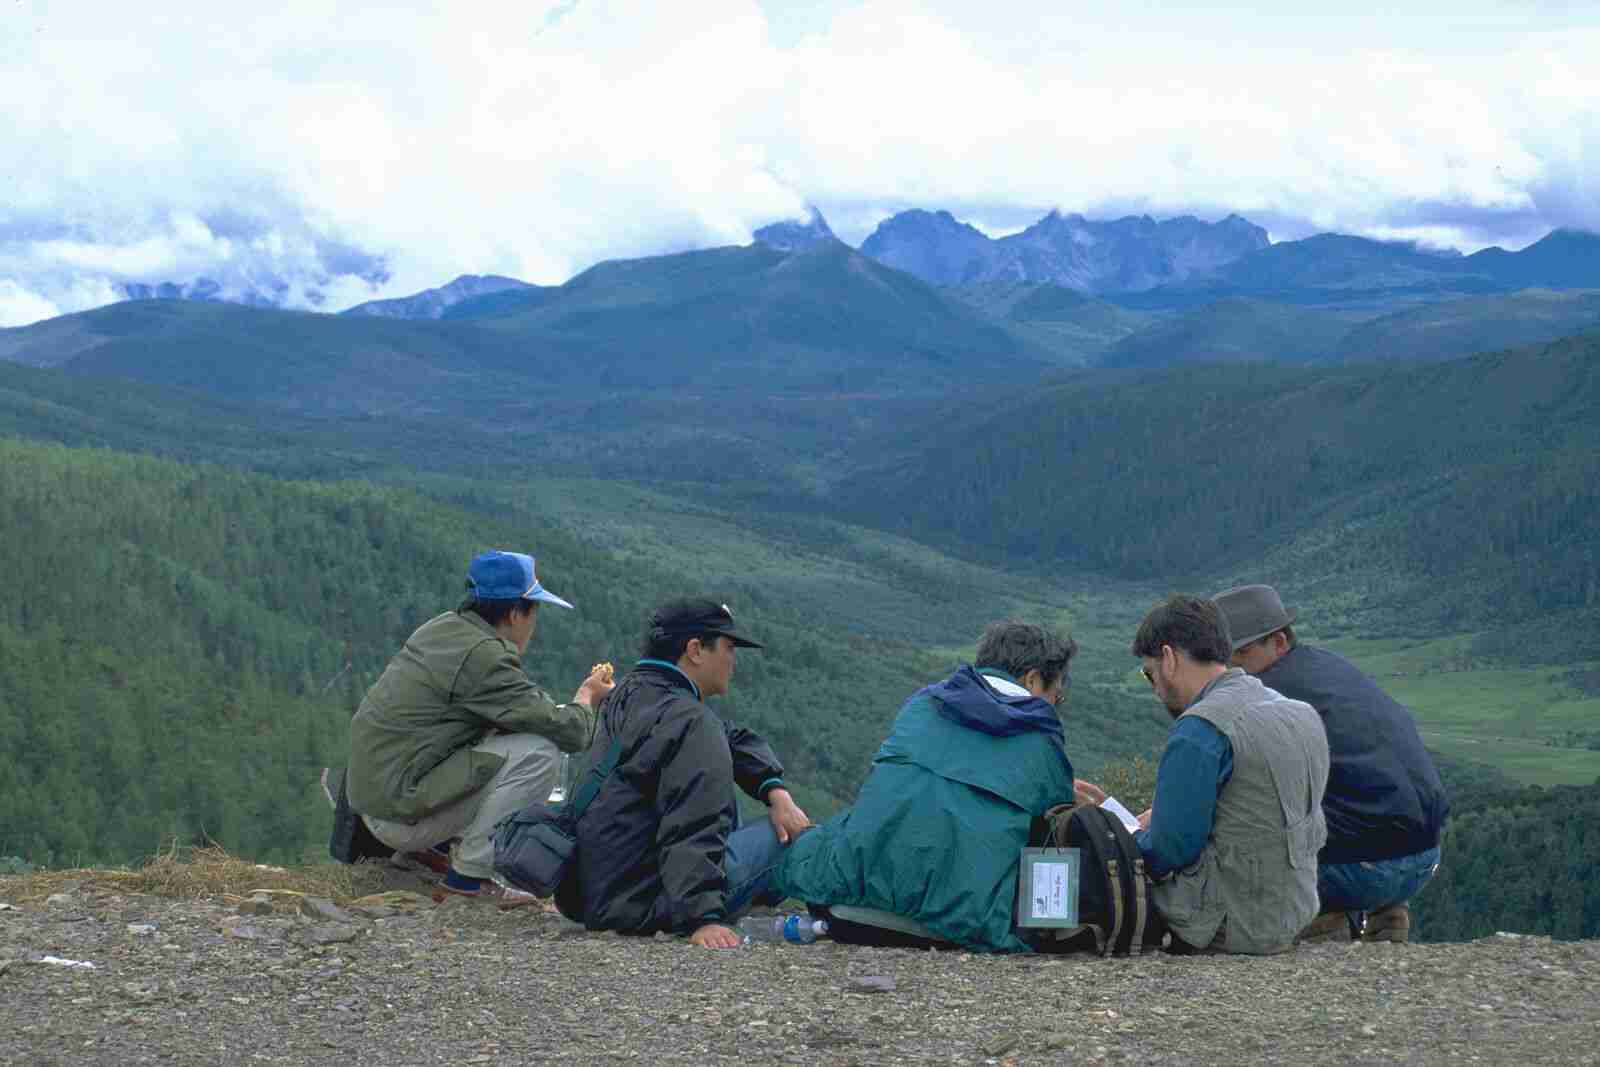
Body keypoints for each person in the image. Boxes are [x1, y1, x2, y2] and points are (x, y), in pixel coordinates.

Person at [775, 621, 1096, 953]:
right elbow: (1049, 835)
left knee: (814, 838)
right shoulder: (1040, 736)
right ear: (1031, 679)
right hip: (966, 919)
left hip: (853, 896)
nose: (1055, 706)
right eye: (1056, 694)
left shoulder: (923, 704)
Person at [343, 550, 612, 902]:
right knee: (538, 753)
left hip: (373, 801)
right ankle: (467, 880)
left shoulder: (443, 627)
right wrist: (586, 697)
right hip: (395, 816)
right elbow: (570, 733)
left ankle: (433, 853)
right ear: (516, 614)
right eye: (535, 611)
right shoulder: (485, 658)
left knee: (494, 733)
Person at [565, 598, 811, 947]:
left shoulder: (628, 694)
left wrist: (775, 790)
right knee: (790, 837)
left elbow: (731, 737)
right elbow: (693, 822)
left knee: (741, 793)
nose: (733, 661)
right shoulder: (692, 721)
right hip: (645, 904)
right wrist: (702, 918)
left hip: (595, 894)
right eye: (728, 647)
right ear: (695, 650)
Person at [1213, 584, 1448, 943]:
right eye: (1224, 658)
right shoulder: (1330, 667)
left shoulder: (1268, 697)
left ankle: (1321, 917)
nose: (1231, 669)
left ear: (1278, 642)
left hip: (1357, 870)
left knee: (1228, 837)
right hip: (1424, 859)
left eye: (1240, 654)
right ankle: (1384, 912)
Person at [1132, 594, 1330, 954]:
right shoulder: (1299, 712)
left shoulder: (1200, 730)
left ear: (1170, 658)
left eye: (1150, 673)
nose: (1156, 687)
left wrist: (1123, 833)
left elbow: (1168, 850)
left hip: (1228, 925)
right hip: (1292, 913)